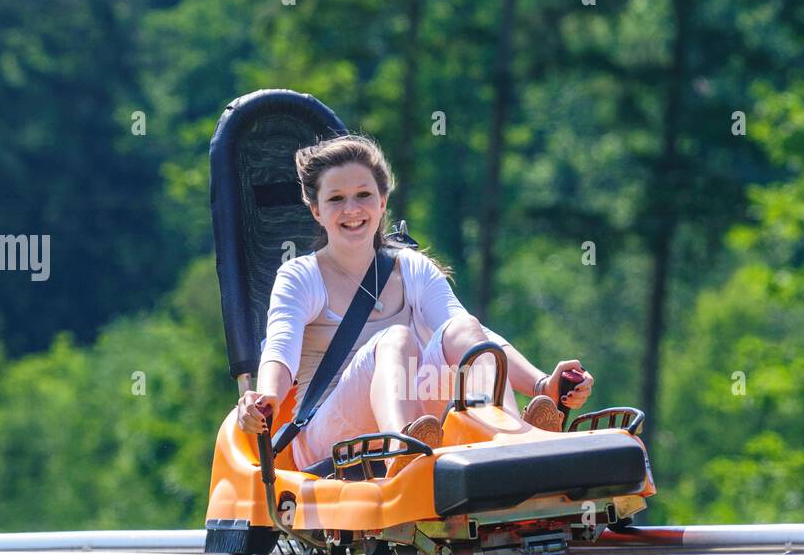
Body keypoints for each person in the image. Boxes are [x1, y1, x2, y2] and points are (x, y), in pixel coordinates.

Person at [236, 134, 593, 473]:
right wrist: (265, 397)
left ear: (382, 202)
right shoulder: (301, 276)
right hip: (329, 437)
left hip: (418, 415)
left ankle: (512, 441)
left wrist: (542, 384)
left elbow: (471, 336)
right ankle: (403, 456)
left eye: (363, 194)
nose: (352, 209)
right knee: (397, 340)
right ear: (316, 210)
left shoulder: (409, 267)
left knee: (463, 328)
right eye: (336, 199)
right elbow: (280, 352)